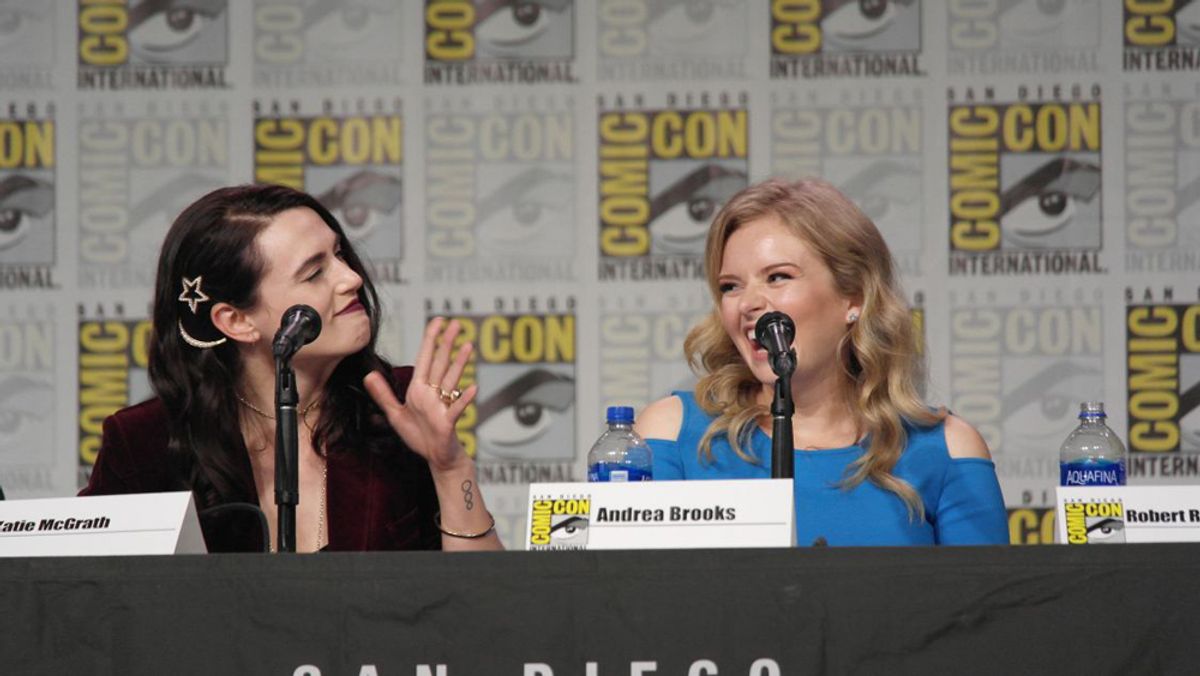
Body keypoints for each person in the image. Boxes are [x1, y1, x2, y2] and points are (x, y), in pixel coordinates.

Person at [80, 184, 502, 553]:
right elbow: (84, 597)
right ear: (236, 321)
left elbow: (486, 601)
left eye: (340, 254)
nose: (351, 278)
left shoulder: (400, 405)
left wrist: (450, 468)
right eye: (315, 272)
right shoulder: (145, 443)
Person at [635, 178, 1009, 546]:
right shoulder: (671, 434)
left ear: (854, 296)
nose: (747, 304)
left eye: (777, 277)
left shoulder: (948, 449)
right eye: (730, 286)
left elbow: (985, 589)